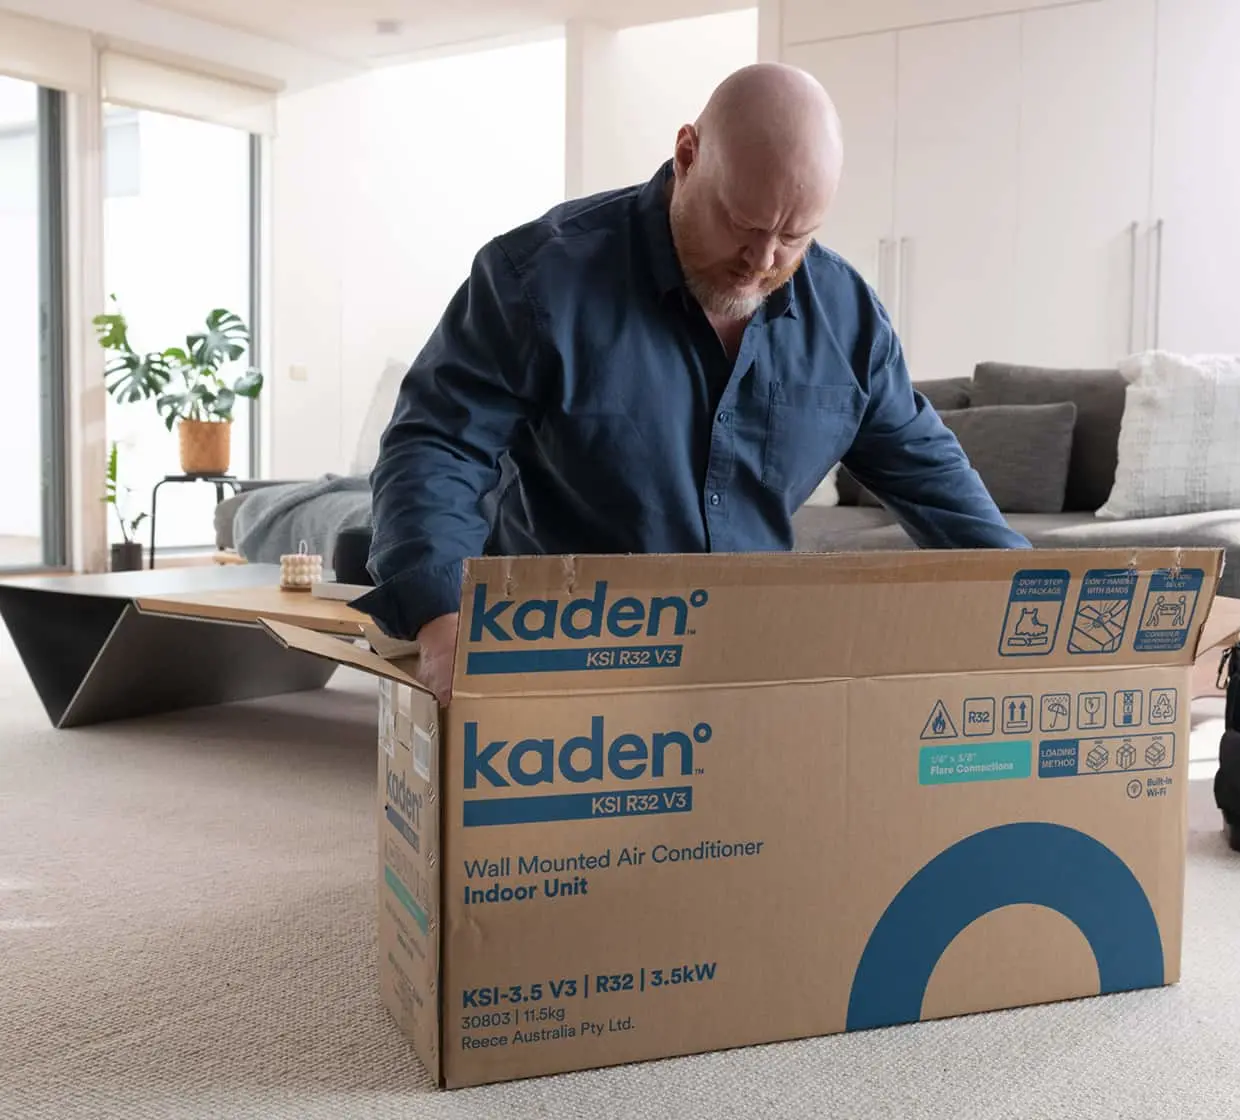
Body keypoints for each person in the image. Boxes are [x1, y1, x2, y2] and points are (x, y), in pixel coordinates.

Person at [353, 62, 1029, 703]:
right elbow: (439, 445)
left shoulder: (848, 319)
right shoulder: (536, 278)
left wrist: (1033, 598)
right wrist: (441, 613)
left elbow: (929, 473)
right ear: (686, 154)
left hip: (752, 663)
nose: (761, 263)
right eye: (743, 223)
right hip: (565, 655)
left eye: (794, 237)